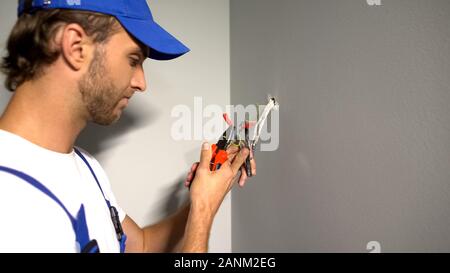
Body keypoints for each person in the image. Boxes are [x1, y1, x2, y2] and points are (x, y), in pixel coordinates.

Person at [0, 0, 256, 253]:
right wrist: (203, 212)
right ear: (76, 47)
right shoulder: (12, 202)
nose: (141, 83)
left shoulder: (84, 165)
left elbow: (141, 246)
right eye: (134, 60)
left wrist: (207, 194)